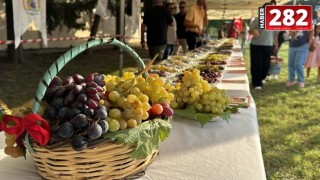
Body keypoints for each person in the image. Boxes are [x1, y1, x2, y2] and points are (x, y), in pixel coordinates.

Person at [248, 2, 277, 90]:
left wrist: (276, 45)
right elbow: (250, 31)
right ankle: (257, 84)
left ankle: (261, 78)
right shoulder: (257, 19)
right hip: (256, 46)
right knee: (257, 65)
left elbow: (275, 35)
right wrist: (253, 31)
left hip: (268, 45)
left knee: (266, 65)